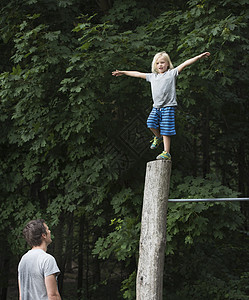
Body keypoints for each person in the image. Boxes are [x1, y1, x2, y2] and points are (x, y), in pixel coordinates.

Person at [112, 51, 210, 160]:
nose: (160, 65)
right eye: (158, 63)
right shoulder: (152, 77)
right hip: (156, 107)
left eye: (163, 63)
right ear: (155, 65)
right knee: (150, 123)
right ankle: (158, 137)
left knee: (166, 129)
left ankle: (166, 152)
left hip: (168, 106)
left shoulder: (172, 73)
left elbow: (186, 63)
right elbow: (138, 74)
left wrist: (199, 56)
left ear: (168, 64)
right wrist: (123, 72)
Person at [18, 219, 61, 300]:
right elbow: (53, 295)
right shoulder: (47, 260)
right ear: (43, 235)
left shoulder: (23, 260)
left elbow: (21, 295)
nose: (50, 231)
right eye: (48, 229)